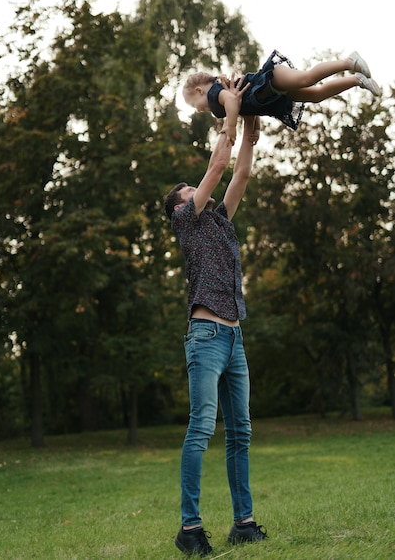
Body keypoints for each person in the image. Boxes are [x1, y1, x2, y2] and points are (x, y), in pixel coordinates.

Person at [164, 77, 266, 557]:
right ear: (181, 205)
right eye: (189, 189)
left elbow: (239, 174)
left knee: (240, 432)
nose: (195, 187)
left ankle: (243, 522)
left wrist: (250, 122)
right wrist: (230, 115)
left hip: (234, 338)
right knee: (202, 428)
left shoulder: (219, 222)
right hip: (205, 336)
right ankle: (190, 528)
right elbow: (219, 163)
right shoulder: (187, 222)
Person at [182, 49, 381, 142]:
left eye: (194, 105)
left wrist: (231, 126)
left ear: (200, 90)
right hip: (274, 95)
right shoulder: (224, 96)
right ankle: (357, 81)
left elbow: (233, 101)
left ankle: (348, 61)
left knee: (307, 79)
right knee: (316, 95)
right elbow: (248, 109)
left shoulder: (218, 93)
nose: (199, 110)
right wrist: (255, 130)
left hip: (271, 79)